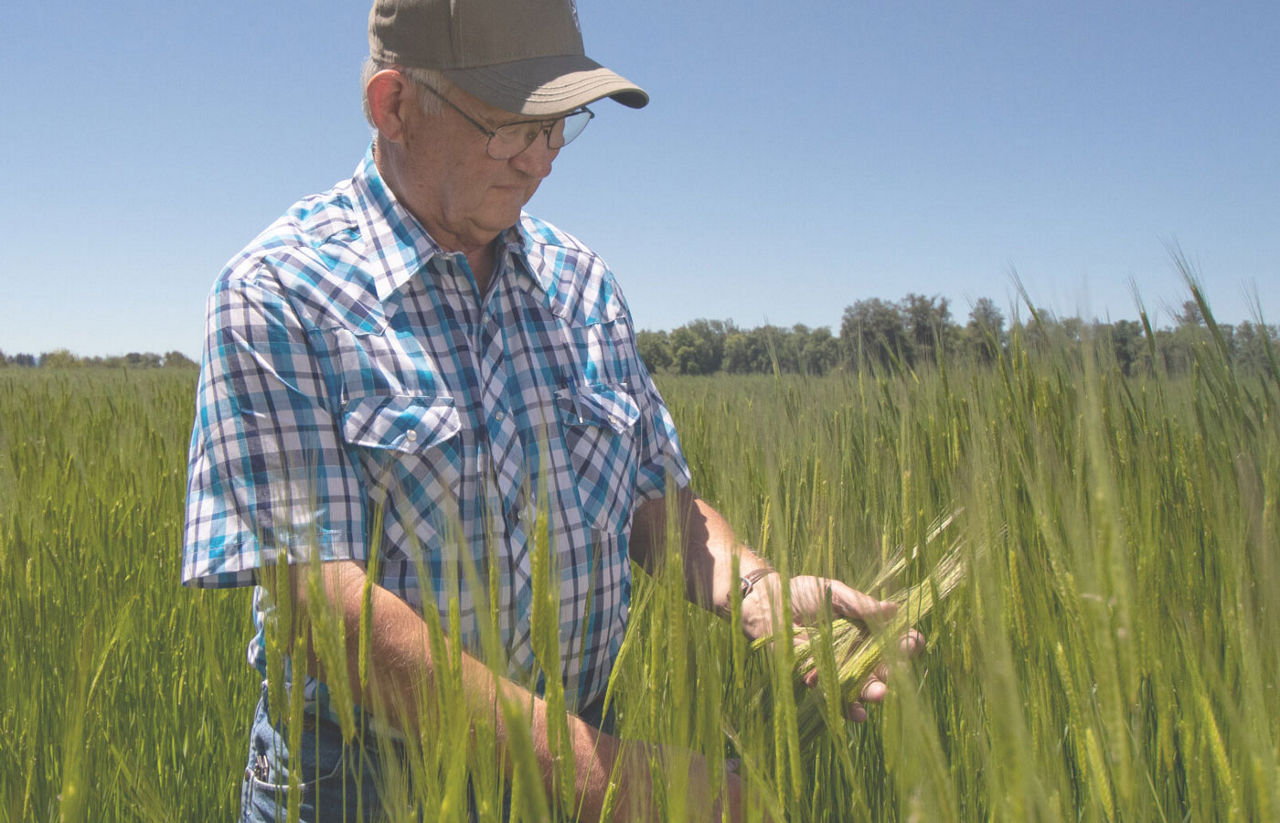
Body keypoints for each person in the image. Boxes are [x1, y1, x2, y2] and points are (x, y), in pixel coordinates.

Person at [182, 0, 921, 820]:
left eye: (560, 126)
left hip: (582, 743)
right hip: (364, 782)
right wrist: (608, 777)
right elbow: (317, 602)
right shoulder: (280, 292)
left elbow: (650, 495)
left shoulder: (583, 284)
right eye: (510, 127)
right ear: (394, 104)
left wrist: (755, 587)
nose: (540, 162)